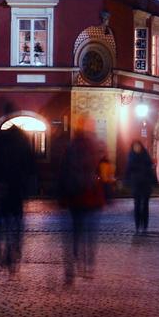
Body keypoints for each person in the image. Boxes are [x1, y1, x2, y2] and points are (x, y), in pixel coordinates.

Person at [0, 106, 34, 272]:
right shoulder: (23, 143)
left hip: (2, 188)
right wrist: (29, 187)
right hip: (16, 189)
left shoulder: (0, 141)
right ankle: (14, 250)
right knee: (16, 223)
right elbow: (31, 166)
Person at [57, 117, 105, 283]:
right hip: (90, 195)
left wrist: (60, 194)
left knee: (75, 232)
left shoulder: (70, 147)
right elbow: (103, 169)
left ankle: (74, 265)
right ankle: (88, 266)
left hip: (74, 196)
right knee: (90, 233)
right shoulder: (94, 146)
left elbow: (62, 171)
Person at [124, 139, 156, 235]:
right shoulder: (131, 157)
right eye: (135, 146)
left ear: (141, 147)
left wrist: (154, 182)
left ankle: (145, 226)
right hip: (136, 184)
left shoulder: (146, 157)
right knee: (137, 205)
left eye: (138, 146)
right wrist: (126, 181)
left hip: (145, 184)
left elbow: (151, 171)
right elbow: (127, 170)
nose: (137, 148)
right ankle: (137, 226)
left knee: (145, 205)